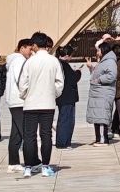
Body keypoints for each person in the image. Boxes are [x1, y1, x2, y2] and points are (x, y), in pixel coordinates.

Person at [17, 32, 64, 178]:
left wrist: (25, 95)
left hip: (31, 104)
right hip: (47, 104)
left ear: (35, 45)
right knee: (46, 135)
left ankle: (28, 167)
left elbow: (22, 84)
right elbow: (59, 83)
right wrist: (52, 94)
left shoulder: (29, 62)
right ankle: (45, 166)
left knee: (29, 136)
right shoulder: (54, 61)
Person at [5, 37, 34, 173]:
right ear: (22, 48)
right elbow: (21, 80)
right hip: (19, 101)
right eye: (29, 49)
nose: (31, 52)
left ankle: (13, 162)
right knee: (26, 133)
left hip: (14, 101)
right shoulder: (19, 61)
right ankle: (32, 162)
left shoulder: (15, 60)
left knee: (16, 133)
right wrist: (28, 94)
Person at [86, 41, 118, 145]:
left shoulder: (110, 61)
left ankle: (103, 140)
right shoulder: (103, 61)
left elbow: (111, 76)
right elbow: (99, 73)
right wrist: (91, 68)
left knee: (101, 117)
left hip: (103, 93)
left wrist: (99, 80)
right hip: (98, 93)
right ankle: (99, 139)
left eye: (98, 50)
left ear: (103, 50)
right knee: (98, 116)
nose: (97, 52)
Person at [55, 46, 81, 149]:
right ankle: (63, 142)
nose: (71, 58)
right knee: (67, 120)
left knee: (63, 119)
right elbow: (72, 79)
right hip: (67, 97)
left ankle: (62, 141)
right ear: (66, 56)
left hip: (61, 97)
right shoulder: (64, 65)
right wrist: (78, 72)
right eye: (70, 56)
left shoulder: (58, 64)